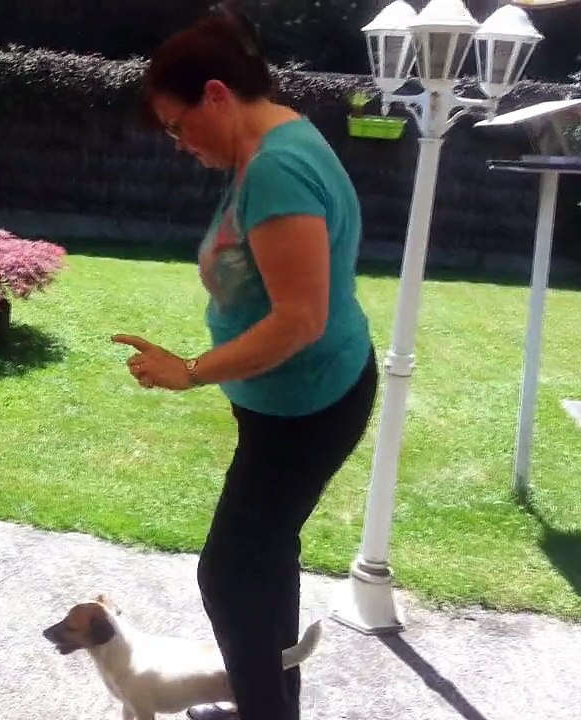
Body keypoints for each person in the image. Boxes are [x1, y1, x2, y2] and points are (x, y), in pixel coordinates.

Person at [111, 7, 380, 720]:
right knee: (262, 559)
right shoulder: (281, 136)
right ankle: (271, 708)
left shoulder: (277, 170)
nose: (178, 144)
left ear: (218, 95)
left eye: (177, 125)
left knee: (228, 576)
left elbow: (300, 318)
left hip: (307, 404)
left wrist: (192, 369)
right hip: (296, 401)